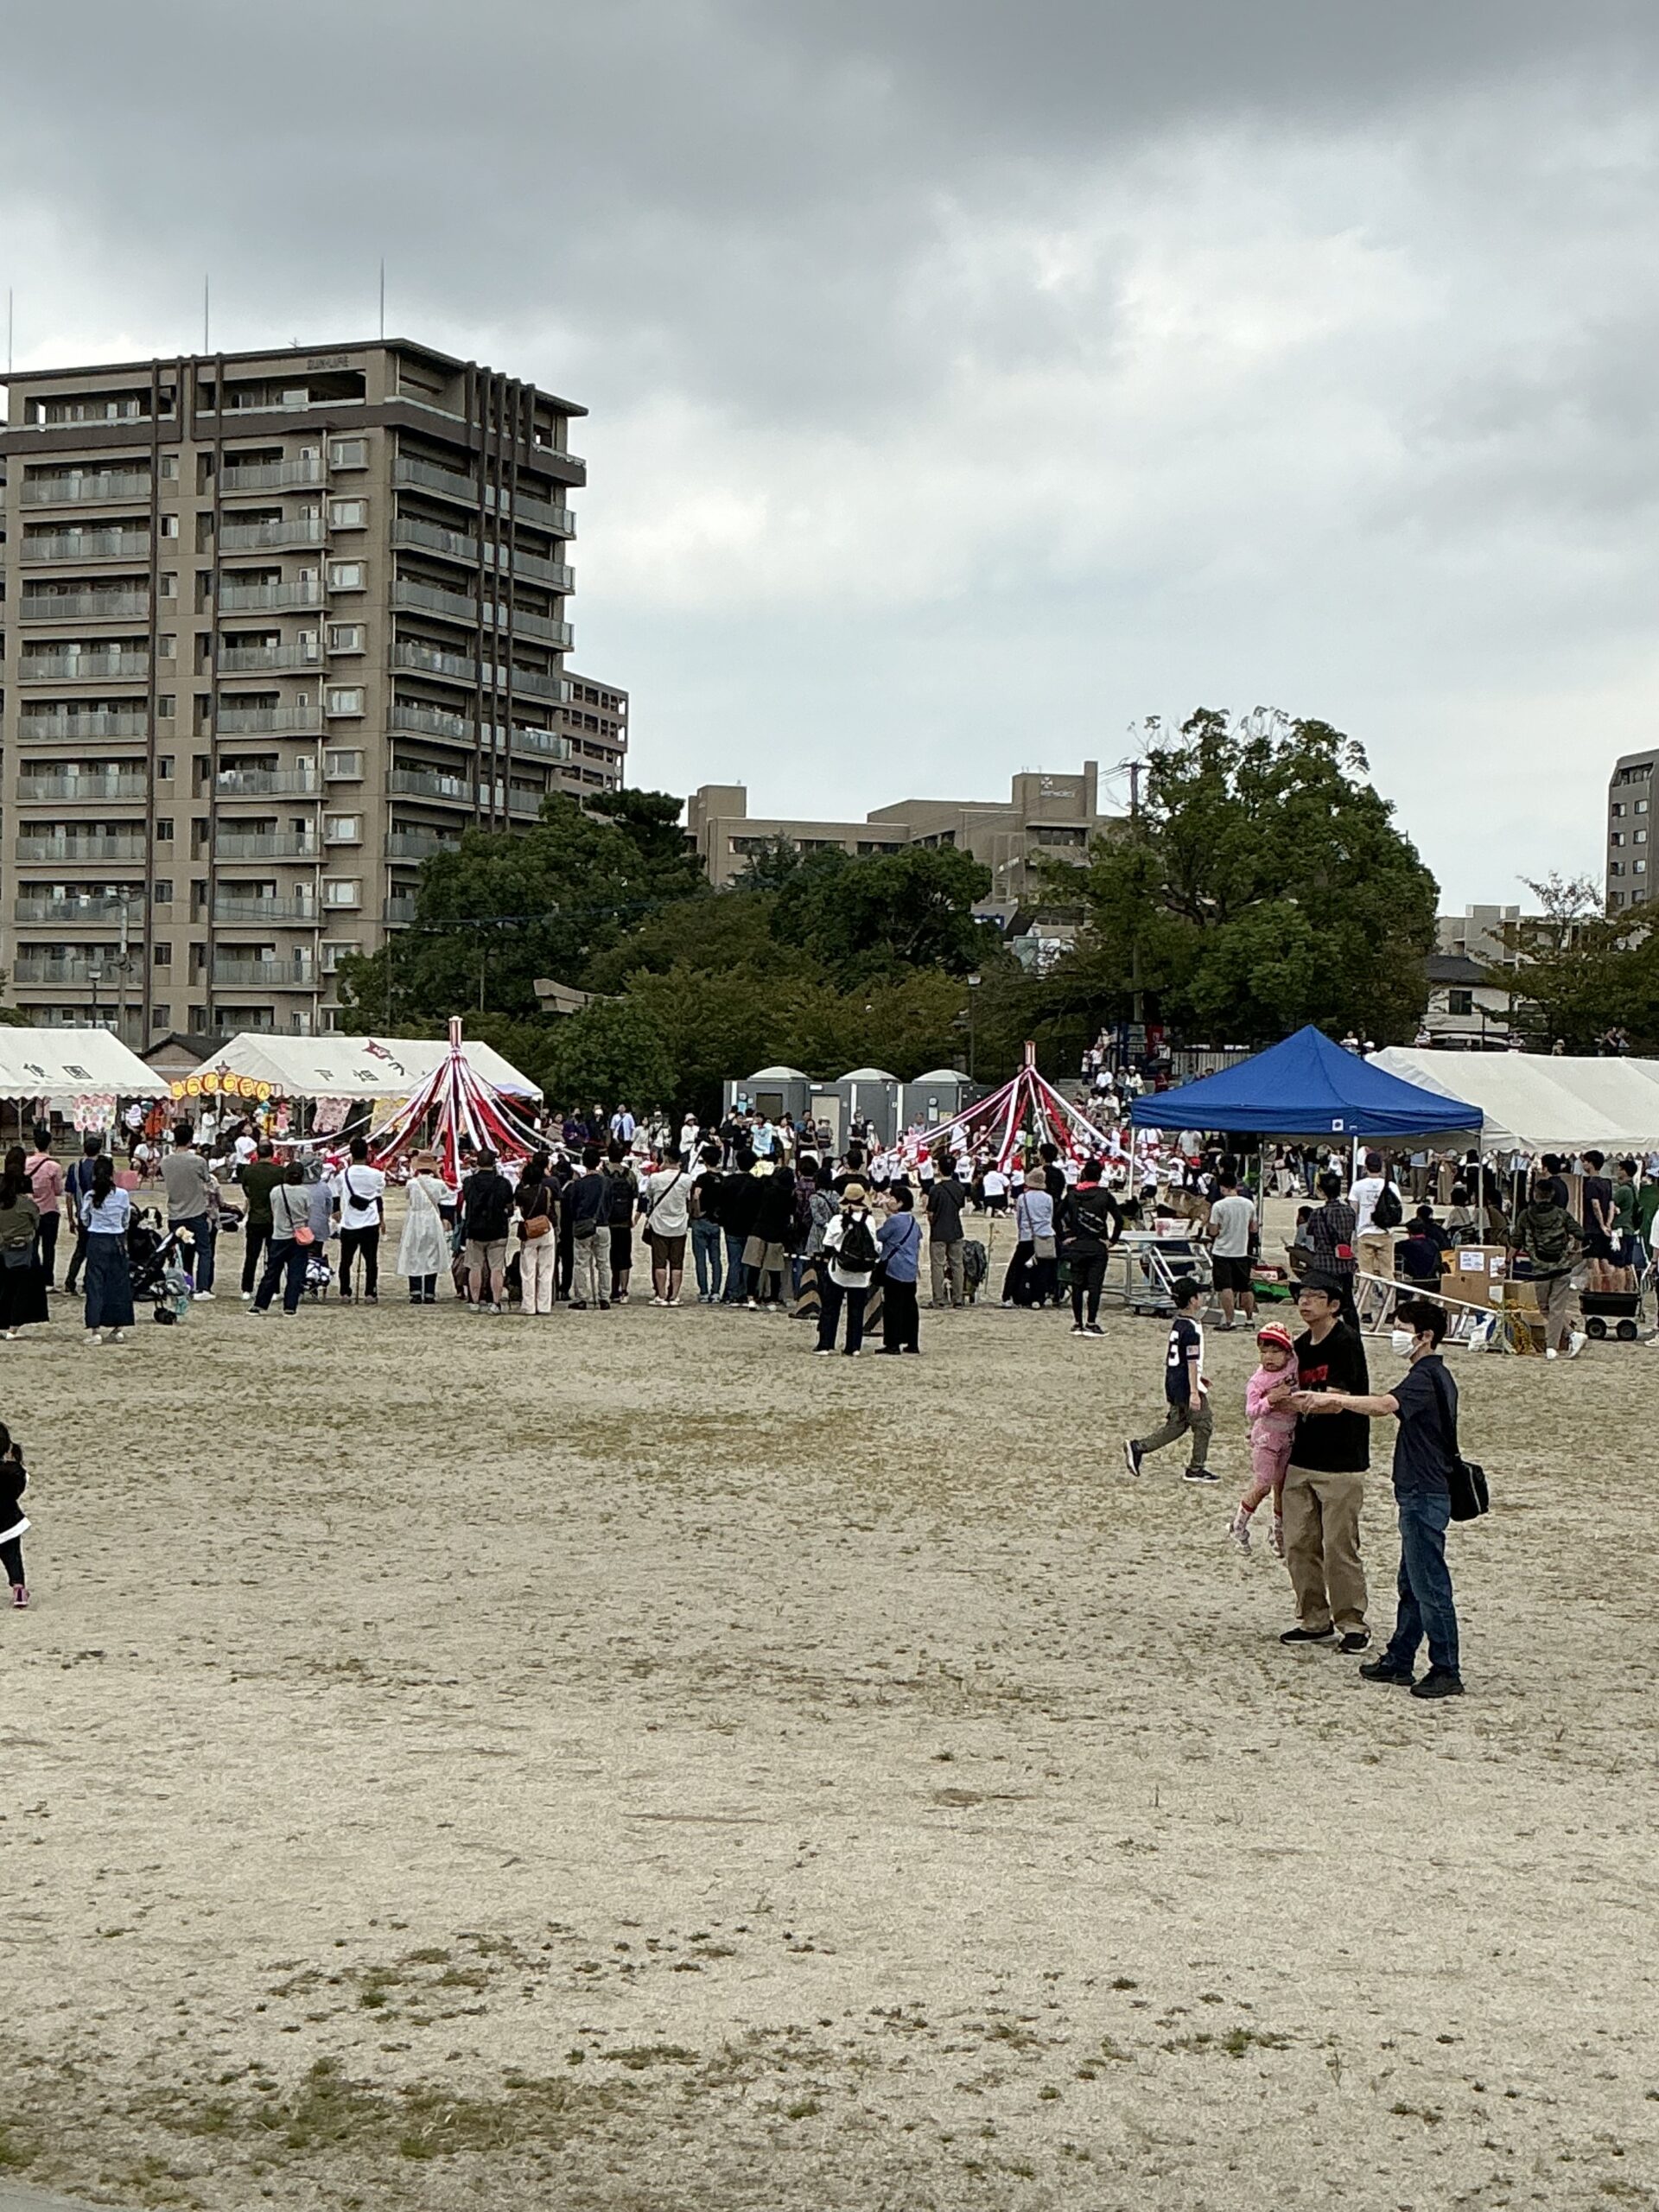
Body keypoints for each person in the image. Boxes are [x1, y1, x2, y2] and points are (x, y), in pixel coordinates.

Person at [1308, 1298, 1468, 1700]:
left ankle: (1446, 1667)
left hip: (1423, 1492)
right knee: (1412, 1582)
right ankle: (1400, 1657)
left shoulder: (1423, 1377)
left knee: (1429, 1583)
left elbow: (1382, 1406)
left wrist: (1337, 1400)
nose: (1396, 1334)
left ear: (1424, 1335)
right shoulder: (1436, 1375)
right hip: (1422, 1490)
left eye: (1402, 1326)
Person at [1275, 1277, 1371, 1653]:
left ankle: (1353, 1623)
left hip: (1341, 1462)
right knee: (1298, 1543)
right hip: (1302, 1457)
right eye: (1302, 1296)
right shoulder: (1299, 1347)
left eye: (1316, 1296)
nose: (1305, 1302)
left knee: (1338, 1546)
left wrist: (1291, 1401)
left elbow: (1334, 1400)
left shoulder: (1346, 1342)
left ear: (1334, 1305)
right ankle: (1314, 1619)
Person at [1123, 1275, 1216, 1482]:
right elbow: (1191, 1360)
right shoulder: (1191, 1328)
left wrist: (1199, 1378)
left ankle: (1139, 1447)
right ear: (1193, 1300)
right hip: (1185, 1384)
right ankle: (1196, 1467)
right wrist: (1194, 1390)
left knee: (1178, 1424)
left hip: (1175, 1380)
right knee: (1204, 1423)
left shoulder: (1179, 1324)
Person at [1229, 1320, 1298, 1554]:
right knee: (1263, 1485)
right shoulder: (1258, 1381)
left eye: (1275, 1351)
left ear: (1288, 1352)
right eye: (1264, 1351)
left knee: (1282, 1485)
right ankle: (1238, 1526)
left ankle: (1278, 1532)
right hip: (1267, 1437)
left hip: (1289, 1435)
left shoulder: (1294, 1364)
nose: (1269, 1357)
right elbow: (1251, 1410)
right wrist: (1271, 1399)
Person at [1511, 1175, 1588, 1359]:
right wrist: (1574, 1248)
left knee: (1545, 1307)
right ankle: (1570, 1335)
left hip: (1540, 1269)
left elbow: (1515, 1241)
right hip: (1561, 1266)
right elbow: (1580, 1232)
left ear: (1535, 1194)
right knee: (1555, 1308)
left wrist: (1507, 1261)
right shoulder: (1562, 1214)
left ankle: (1552, 1347)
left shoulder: (1525, 1216)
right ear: (1552, 1195)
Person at [1058, 1159, 1122, 1336]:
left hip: (1077, 1244)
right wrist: (1112, 1240)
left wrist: (1065, 1236)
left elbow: (1056, 1217)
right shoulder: (1105, 1196)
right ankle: (1091, 1321)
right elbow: (1119, 1219)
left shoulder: (1071, 1195)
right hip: (1097, 1245)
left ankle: (1077, 1322)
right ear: (1100, 1176)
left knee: (1077, 1284)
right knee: (1095, 1285)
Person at [79, 1154, 136, 1347]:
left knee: (95, 1285)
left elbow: (84, 1218)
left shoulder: (90, 1196)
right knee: (118, 1284)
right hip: (117, 1240)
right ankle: (118, 1327)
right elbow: (126, 1219)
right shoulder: (122, 1195)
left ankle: (95, 1330)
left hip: (96, 1240)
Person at [817, 1181, 879, 1355]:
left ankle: (826, 1344)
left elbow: (827, 1244)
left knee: (831, 1308)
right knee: (856, 1310)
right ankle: (854, 1347)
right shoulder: (870, 1221)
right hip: (861, 1274)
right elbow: (874, 1245)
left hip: (839, 1271)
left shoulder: (837, 1220)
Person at [162, 1124, 218, 1299]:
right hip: (195, 1211)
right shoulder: (198, 1161)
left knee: (181, 1252)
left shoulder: (166, 1161)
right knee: (204, 1250)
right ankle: (202, 1288)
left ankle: (184, 1283)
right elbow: (208, 1179)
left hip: (175, 1213)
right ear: (191, 1140)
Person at [251, 1166, 311, 1318]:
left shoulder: (276, 1191)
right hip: (299, 1237)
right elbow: (308, 1213)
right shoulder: (305, 1193)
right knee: (295, 1274)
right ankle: (290, 1306)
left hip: (279, 1236)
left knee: (272, 1272)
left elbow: (273, 1210)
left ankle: (260, 1304)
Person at [460, 1148, 516, 1313]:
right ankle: (496, 1303)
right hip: (497, 1229)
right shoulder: (503, 1183)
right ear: (494, 1163)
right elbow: (510, 1207)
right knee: (497, 1268)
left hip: (475, 1229)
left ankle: (475, 1302)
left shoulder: (469, 1182)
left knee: (475, 1267)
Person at [333, 1136, 386, 1304]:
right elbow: (378, 1197)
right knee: (371, 1261)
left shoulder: (342, 1175)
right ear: (367, 1154)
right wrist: (382, 1219)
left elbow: (338, 1195)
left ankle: (345, 1292)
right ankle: (370, 1292)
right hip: (370, 1221)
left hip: (349, 1222)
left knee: (346, 1261)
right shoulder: (377, 1175)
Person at [1306, 1171, 1360, 1331]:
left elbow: (1310, 1232)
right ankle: (1354, 1334)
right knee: (1348, 1303)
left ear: (1322, 1191)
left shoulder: (1318, 1214)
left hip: (1324, 1264)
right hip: (1345, 1264)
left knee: (1324, 1305)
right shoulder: (1349, 1211)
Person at [398, 1150, 453, 1304]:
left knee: (414, 1252)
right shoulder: (439, 1184)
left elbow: (407, 1197)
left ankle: (415, 1291)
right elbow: (444, 1196)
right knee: (432, 1254)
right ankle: (429, 1292)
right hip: (432, 1218)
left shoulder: (412, 1183)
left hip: (415, 1219)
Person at [640, 1148, 692, 1306]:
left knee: (659, 1262)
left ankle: (661, 1295)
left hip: (659, 1224)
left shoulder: (655, 1178)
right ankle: (675, 1296)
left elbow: (648, 1196)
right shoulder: (686, 1179)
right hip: (679, 1225)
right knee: (677, 1263)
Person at [874, 1185, 923, 1353]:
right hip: (910, 1269)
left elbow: (880, 1235)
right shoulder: (913, 1221)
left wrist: (886, 1215)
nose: (889, 1201)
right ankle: (912, 1342)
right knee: (910, 1306)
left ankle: (892, 1343)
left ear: (900, 1203)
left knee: (892, 1307)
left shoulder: (894, 1221)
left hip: (894, 1268)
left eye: (892, 1199)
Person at [1206, 1173, 1257, 1330]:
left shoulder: (1219, 1206)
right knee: (1245, 1287)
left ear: (1222, 1187)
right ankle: (1249, 1319)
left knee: (1224, 1286)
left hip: (1222, 1251)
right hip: (1241, 1250)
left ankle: (1230, 1320)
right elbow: (1253, 1228)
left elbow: (1213, 1231)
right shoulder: (1249, 1204)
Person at [744, 1155, 794, 1309]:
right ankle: (772, 1299)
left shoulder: (765, 1190)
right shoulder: (790, 1197)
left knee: (754, 1267)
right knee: (774, 1269)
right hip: (777, 1233)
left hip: (759, 1229)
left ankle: (751, 1297)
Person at [567, 1145, 613, 1311]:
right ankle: (604, 1297)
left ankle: (582, 1297)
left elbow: (572, 1206)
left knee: (581, 1263)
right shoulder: (607, 1183)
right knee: (604, 1263)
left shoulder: (578, 1185)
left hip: (584, 1224)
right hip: (603, 1224)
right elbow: (610, 1204)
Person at [514, 1150, 559, 1316]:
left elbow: (518, 1214)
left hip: (529, 1232)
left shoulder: (521, 1194)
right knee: (546, 1270)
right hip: (546, 1229)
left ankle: (528, 1305)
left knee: (528, 1271)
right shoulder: (547, 1191)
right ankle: (544, 1305)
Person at [62, 1133, 105, 1299]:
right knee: (95, 1252)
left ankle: (70, 1281)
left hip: (82, 1214)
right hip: (100, 1215)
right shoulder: (102, 1167)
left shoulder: (75, 1167)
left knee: (80, 1249)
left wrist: (71, 1218)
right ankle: (89, 1283)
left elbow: (69, 1195)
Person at [1349, 1151, 1398, 1286]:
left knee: (1366, 1274)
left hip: (1365, 1231)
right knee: (1387, 1273)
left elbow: (1353, 1211)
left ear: (1365, 1167)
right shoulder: (1391, 1186)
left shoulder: (1357, 1186)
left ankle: (1366, 1304)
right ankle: (1389, 1303)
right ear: (1381, 1167)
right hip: (1385, 1232)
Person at [22, 1127, 63, 1292]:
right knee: (49, 1247)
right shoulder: (54, 1166)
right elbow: (59, 1190)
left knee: (32, 1245)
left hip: (31, 1209)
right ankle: (48, 1280)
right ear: (50, 1144)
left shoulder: (26, 1163)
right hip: (49, 1210)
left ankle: (33, 1277)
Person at [1013, 1174, 1058, 1308]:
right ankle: (1038, 1298)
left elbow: (1019, 1218)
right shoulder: (1048, 1198)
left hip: (1027, 1236)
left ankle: (1014, 1295)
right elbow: (1050, 1217)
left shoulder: (1023, 1197)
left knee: (1018, 1268)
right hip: (1044, 1236)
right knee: (1043, 1270)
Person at [601, 1140, 639, 1304]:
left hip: (607, 1222)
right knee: (624, 1257)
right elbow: (636, 1196)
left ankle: (610, 1290)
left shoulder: (603, 1174)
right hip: (624, 1222)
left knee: (606, 1258)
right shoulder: (630, 1175)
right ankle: (624, 1291)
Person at [689, 1143, 725, 1304]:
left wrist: (696, 1212)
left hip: (701, 1220)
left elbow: (696, 1196)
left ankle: (703, 1291)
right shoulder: (723, 1179)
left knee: (701, 1259)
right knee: (716, 1258)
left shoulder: (702, 1179)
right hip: (716, 1222)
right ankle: (716, 1291)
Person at [0, 1426, 29, 1608]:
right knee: (13, 1557)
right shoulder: (13, 1471)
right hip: (8, 1522)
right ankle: (19, 1590)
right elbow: (18, 1490)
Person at [1395, 1210, 1446, 1293]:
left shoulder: (1404, 1246)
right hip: (1434, 1281)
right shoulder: (1433, 1243)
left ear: (1409, 1232)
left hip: (1416, 1282)